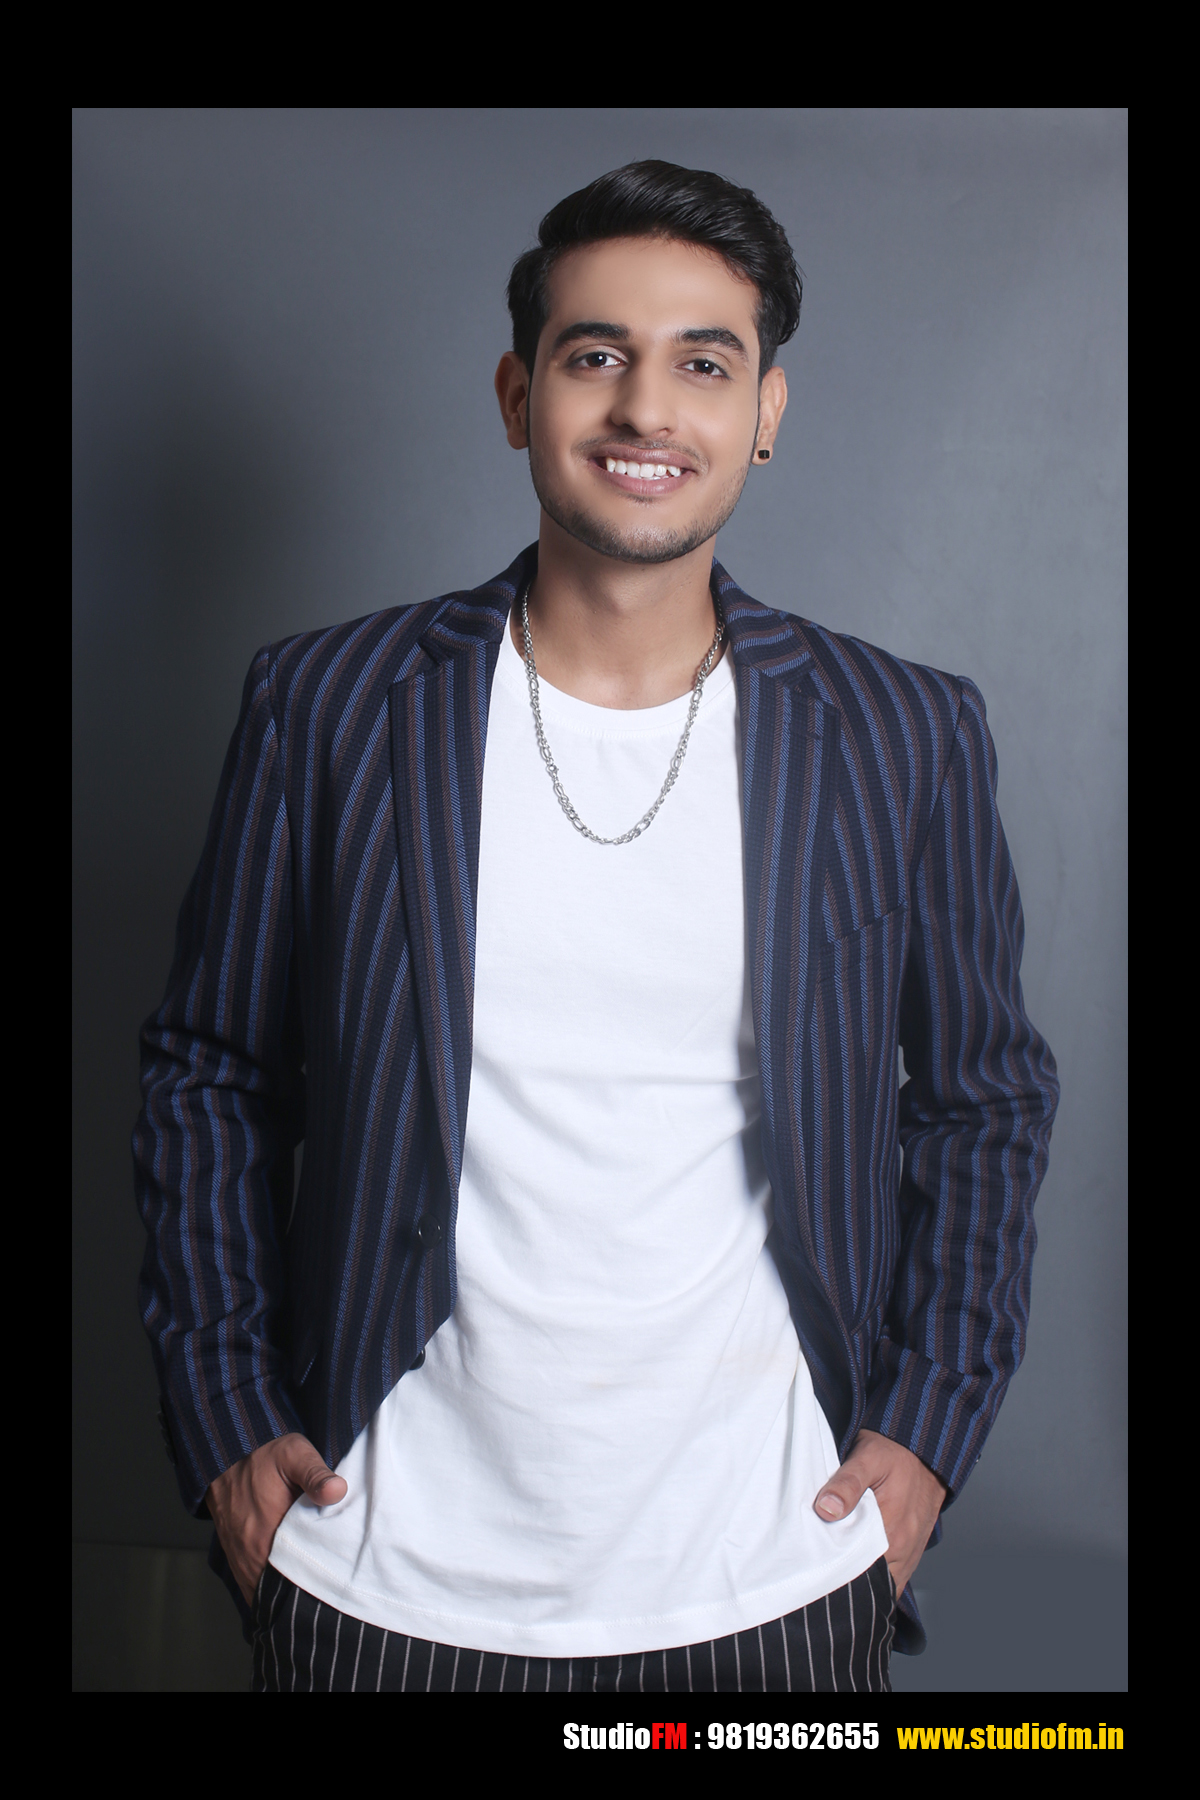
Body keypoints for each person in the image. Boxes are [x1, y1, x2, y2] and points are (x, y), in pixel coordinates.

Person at [133, 160, 1059, 1694]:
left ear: (766, 410)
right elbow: (209, 1074)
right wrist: (226, 1412)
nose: (646, 409)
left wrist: (931, 1430)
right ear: (519, 395)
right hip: (377, 1577)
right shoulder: (332, 707)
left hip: (772, 1581)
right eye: (595, 355)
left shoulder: (900, 733)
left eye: (705, 363)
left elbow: (982, 1100)